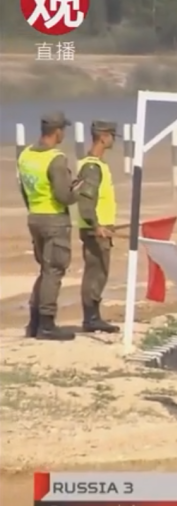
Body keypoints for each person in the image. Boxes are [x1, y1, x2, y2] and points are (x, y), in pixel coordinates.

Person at [16, 111, 81, 341]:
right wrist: (78, 191)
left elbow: (23, 189)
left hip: (34, 215)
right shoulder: (56, 158)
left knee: (45, 269)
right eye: (63, 130)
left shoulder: (25, 155)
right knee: (54, 271)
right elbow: (64, 196)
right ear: (57, 131)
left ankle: (34, 322)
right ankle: (46, 324)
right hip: (54, 218)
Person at [75, 121, 121, 333]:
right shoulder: (92, 167)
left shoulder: (95, 164)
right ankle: (91, 318)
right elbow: (86, 200)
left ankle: (93, 317)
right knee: (96, 272)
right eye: (112, 136)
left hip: (101, 226)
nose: (113, 140)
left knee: (99, 271)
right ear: (103, 137)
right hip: (96, 228)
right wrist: (96, 225)